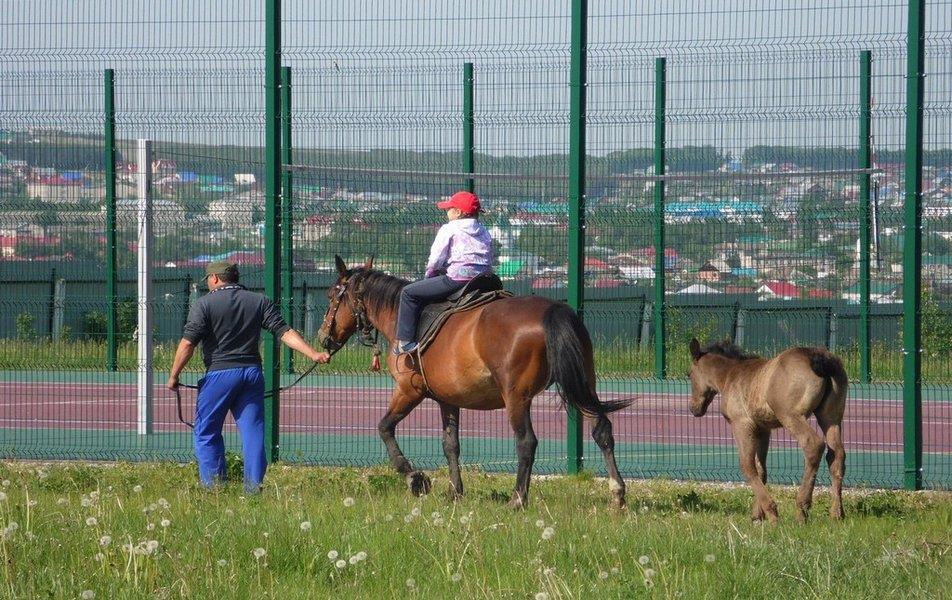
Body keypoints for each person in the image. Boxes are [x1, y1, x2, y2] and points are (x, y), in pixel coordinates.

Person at [166, 260, 330, 492]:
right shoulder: (259, 301)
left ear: (214, 279)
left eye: (208, 280)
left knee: (207, 431)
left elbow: (187, 344)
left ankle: (214, 487)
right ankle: (253, 488)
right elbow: (284, 332)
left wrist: (174, 375)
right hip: (252, 374)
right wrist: (313, 353)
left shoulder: (203, 304)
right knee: (253, 433)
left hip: (219, 374)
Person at [394, 190, 494, 354]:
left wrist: (429, 275)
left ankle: (405, 342)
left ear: (459, 212)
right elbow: (490, 256)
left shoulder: (449, 228)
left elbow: (436, 259)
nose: (446, 211)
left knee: (408, 293)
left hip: (457, 279)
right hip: (484, 279)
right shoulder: (484, 230)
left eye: (449, 208)